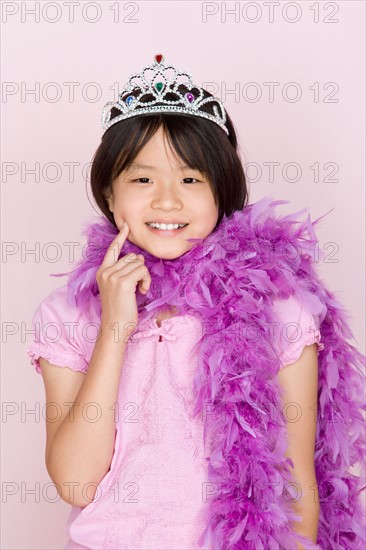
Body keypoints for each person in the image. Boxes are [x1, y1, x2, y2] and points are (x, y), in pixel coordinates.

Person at [26, 54, 365, 550]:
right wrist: (115, 327)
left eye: (190, 179)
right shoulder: (70, 313)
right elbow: (76, 481)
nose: (167, 200)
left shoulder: (280, 309)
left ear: (221, 193)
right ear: (109, 192)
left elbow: (297, 486)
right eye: (142, 179)